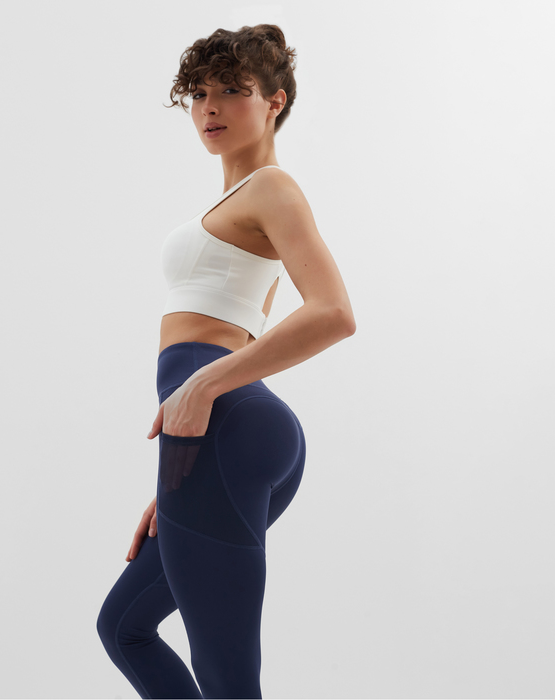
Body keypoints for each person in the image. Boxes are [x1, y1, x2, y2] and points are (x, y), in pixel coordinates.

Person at [96, 23, 356, 699]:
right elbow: (241, 332)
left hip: (228, 425)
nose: (210, 108)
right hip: (215, 440)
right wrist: (180, 481)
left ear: (275, 101)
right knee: (123, 626)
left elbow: (333, 312)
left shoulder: (273, 188)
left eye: (233, 91)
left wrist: (203, 386)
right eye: (200, 94)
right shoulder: (235, 202)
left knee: (226, 673)